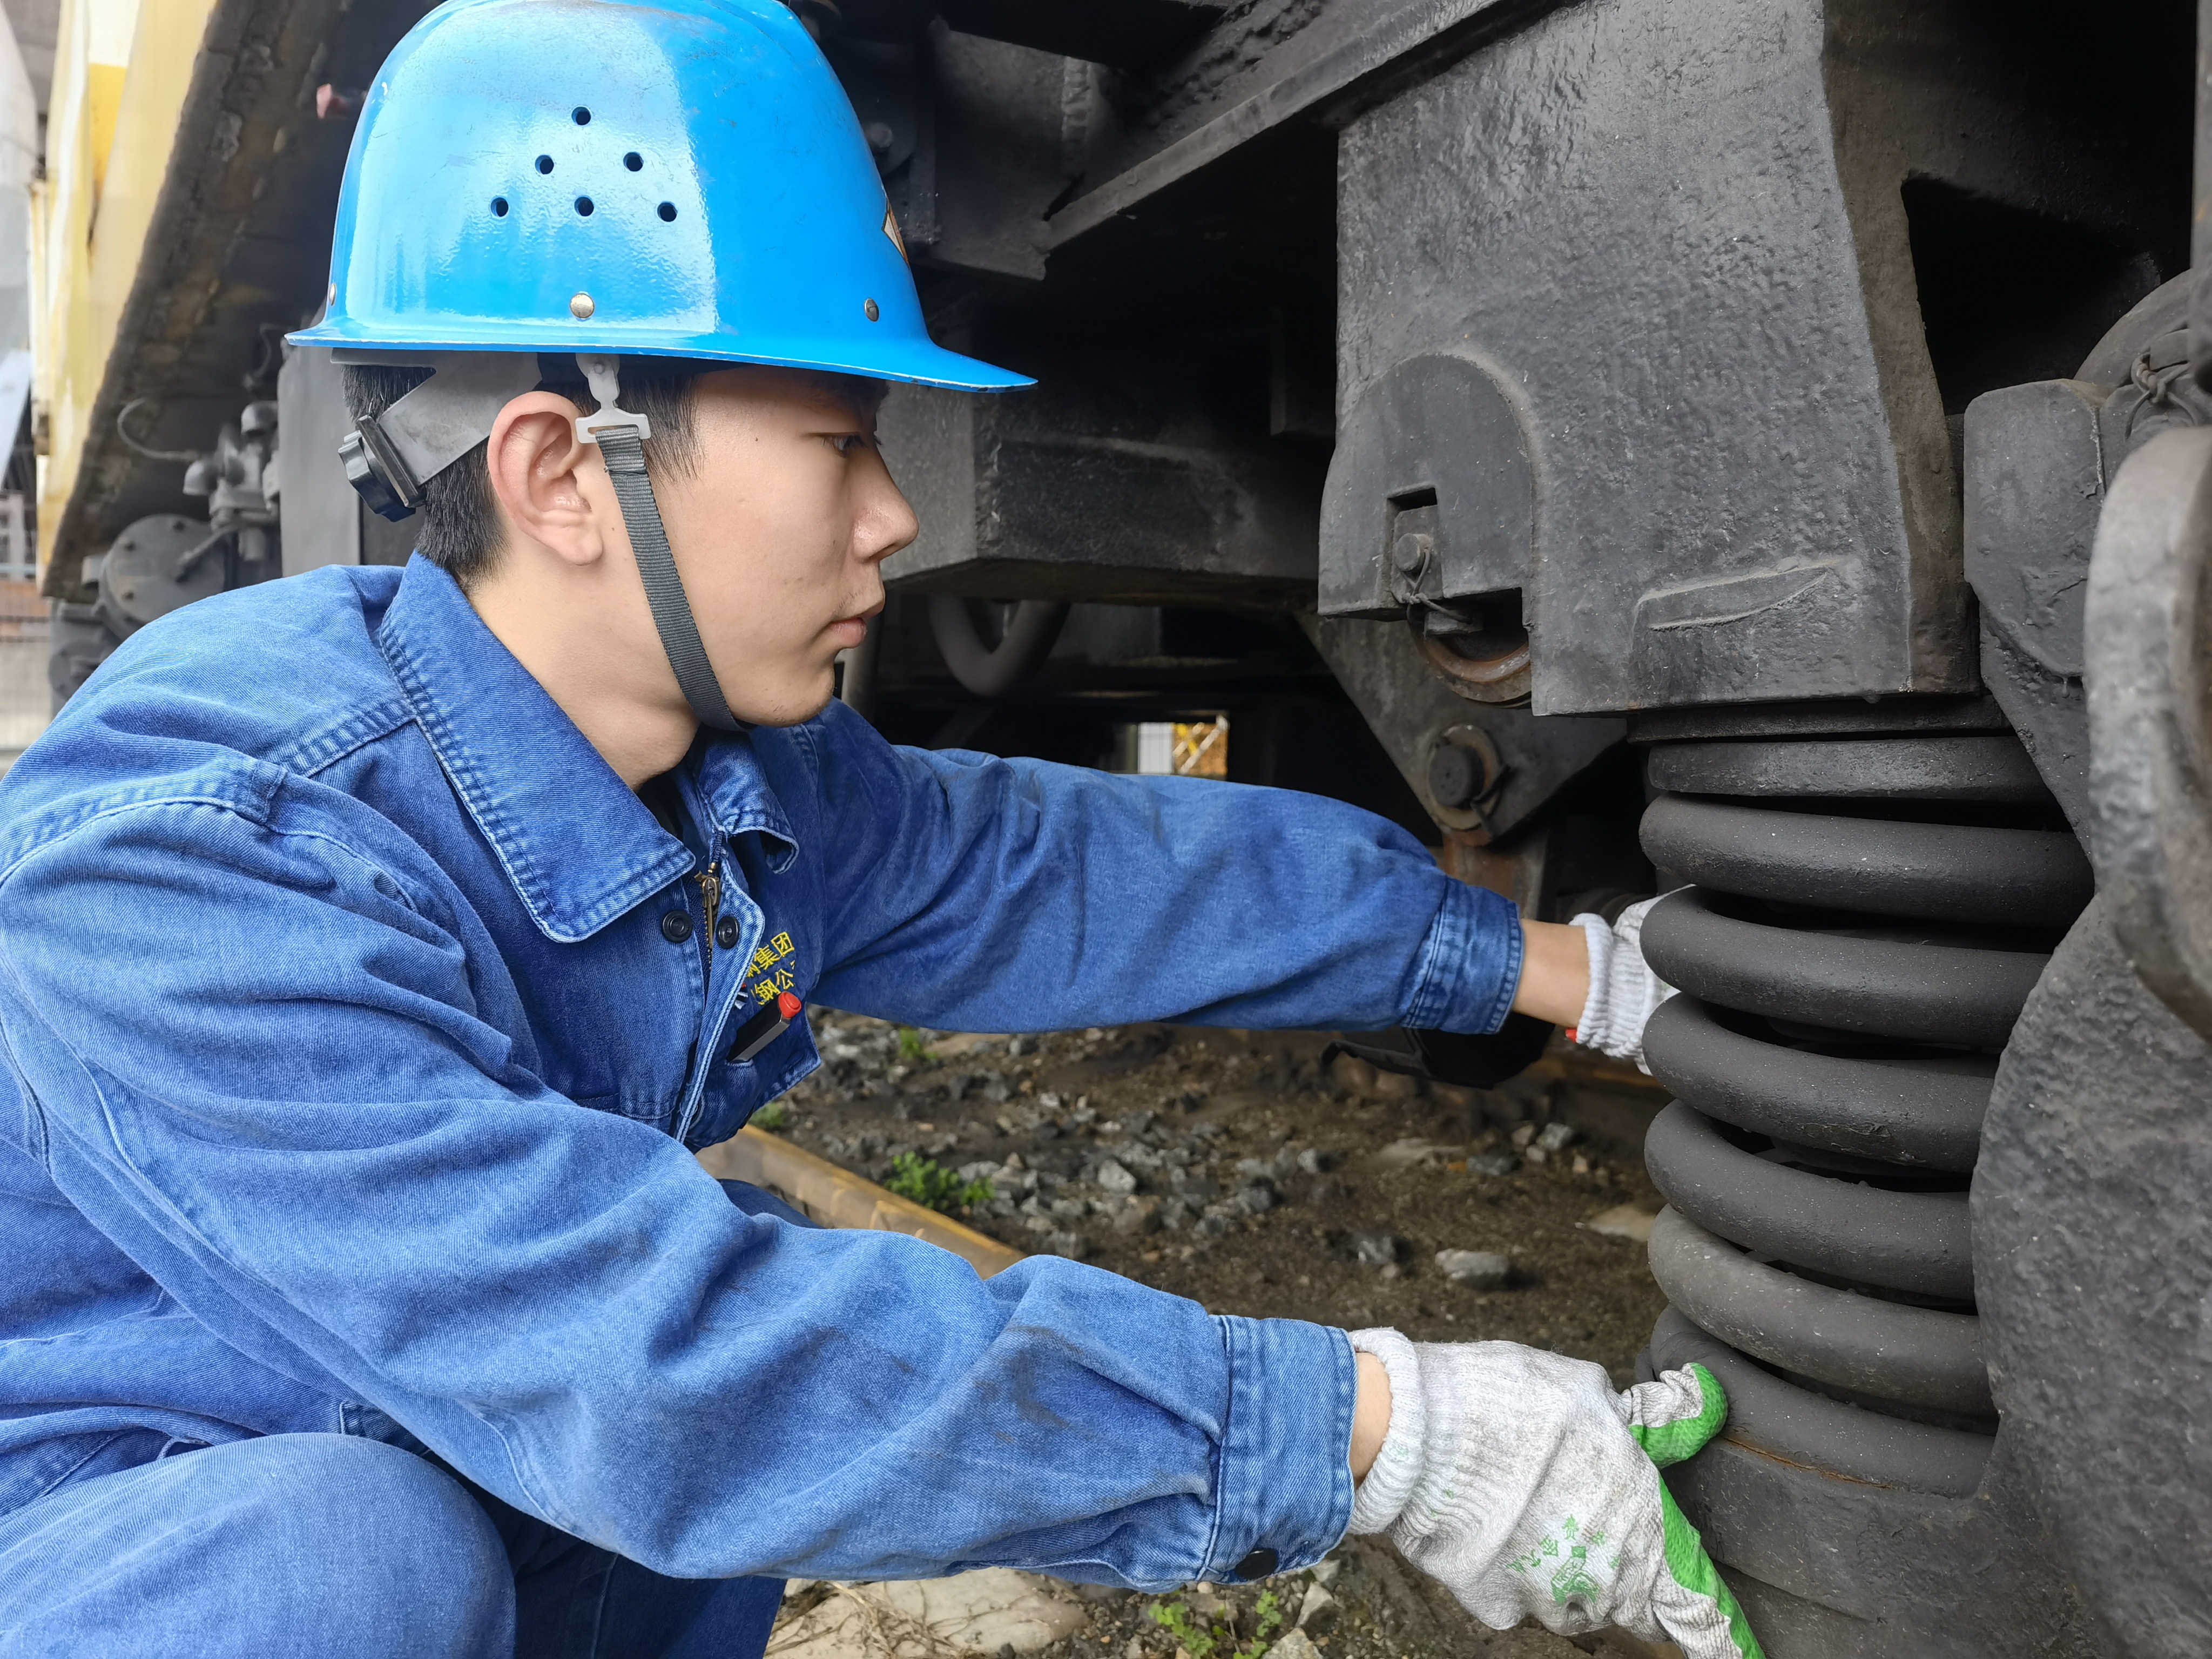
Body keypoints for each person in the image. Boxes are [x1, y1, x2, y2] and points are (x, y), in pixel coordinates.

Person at [0, 3, 1756, 1656]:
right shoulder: (192, 860)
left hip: (358, 1390)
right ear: (560, 476)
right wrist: (1377, 1431)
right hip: (93, 1500)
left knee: (658, 1453)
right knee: (353, 1563)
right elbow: (644, 1363)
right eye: (842, 444)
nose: (898, 517)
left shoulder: (710, 765)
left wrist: (1544, 966)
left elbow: (1050, 868)